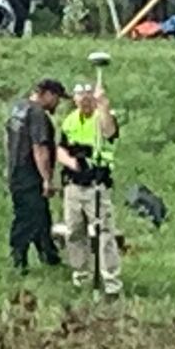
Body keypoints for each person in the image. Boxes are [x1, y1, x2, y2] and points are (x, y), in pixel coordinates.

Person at [58, 82, 123, 297]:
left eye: (89, 98)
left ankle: (111, 281)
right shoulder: (70, 121)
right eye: (80, 98)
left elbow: (109, 132)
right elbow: (60, 148)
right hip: (74, 186)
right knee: (74, 231)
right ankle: (80, 275)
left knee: (104, 233)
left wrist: (104, 106)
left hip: (97, 185)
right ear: (74, 100)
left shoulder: (103, 117)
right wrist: (71, 162)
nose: (85, 102)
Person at [5, 79, 69, 273]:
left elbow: (8, 137)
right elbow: (39, 148)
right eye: (57, 98)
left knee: (42, 216)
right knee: (28, 217)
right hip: (30, 174)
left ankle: (49, 254)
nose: (57, 103)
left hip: (16, 170)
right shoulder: (37, 114)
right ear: (48, 94)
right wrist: (47, 179)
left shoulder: (19, 108)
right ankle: (19, 258)